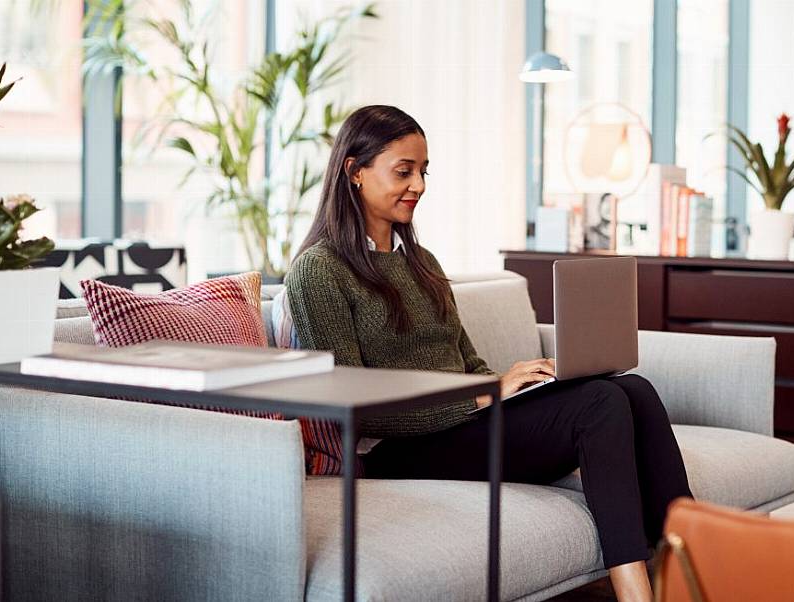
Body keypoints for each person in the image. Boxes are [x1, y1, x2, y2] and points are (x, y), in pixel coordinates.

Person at [283, 105, 693, 601]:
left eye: (423, 171)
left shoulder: (422, 263)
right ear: (354, 171)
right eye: (403, 171)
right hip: (401, 450)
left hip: (464, 426)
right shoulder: (319, 270)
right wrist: (481, 396)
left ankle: (690, 568)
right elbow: (354, 405)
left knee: (632, 389)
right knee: (600, 404)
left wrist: (524, 383)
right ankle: (636, 592)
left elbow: (467, 362)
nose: (419, 185)